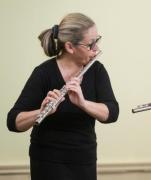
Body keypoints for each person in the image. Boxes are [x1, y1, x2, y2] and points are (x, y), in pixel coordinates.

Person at [7, 12, 119, 180]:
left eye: (97, 40)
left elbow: (112, 113)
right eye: (91, 44)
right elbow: (13, 121)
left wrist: (83, 103)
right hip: (46, 161)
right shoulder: (43, 73)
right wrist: (41, 112)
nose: (96, 49)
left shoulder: (96, 70)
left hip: (83, 160)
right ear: (69, 47)